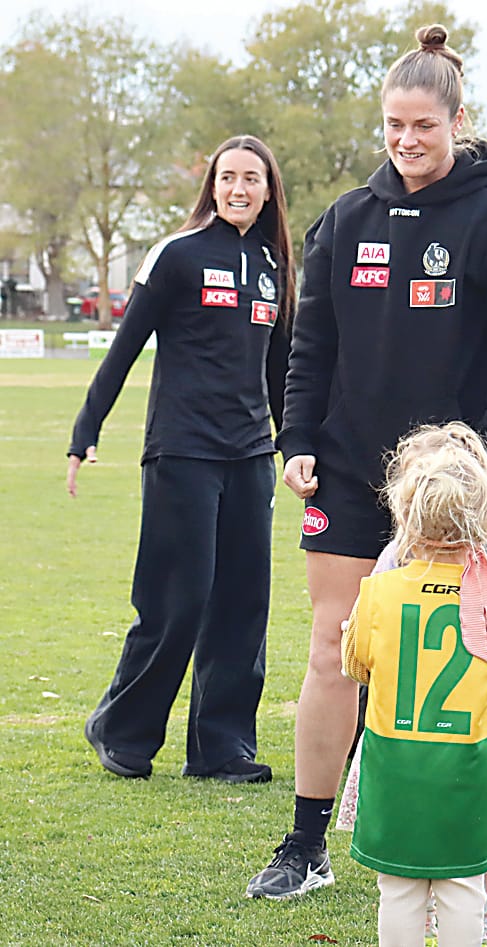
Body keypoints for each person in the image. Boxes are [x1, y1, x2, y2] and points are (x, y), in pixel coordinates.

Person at [245, 23, 487, 898]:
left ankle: (470, 826)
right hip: (345, 467)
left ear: (457, 119)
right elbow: (312, 344)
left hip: (453, 486)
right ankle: (306, 844)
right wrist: (296, 438)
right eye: (393, 126)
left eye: (422, 125)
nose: (406, 141)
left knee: (467, 645)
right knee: (335, 646)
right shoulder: (348, 217)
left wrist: (486, 457)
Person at [67, 135, 295, 783]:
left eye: (252, 178)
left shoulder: (275, 265)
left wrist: (295, 446)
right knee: (178, 599)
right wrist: (87, 430)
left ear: (268, 189)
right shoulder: (177, 253)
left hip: (248, 457)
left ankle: (221, 748)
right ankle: (123, 730)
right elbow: (124, 347)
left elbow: (281, 372)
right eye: (228, 177)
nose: (239, 189)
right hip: (182, 451)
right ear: (212, 185)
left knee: (242, 603)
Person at [339, 422, 487, 946]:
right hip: (466, 764)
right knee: (464, 886)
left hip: (393, 761)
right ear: (486, 520)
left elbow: (355, 666)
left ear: (405, 514)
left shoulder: (378, 593)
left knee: (398, 888)